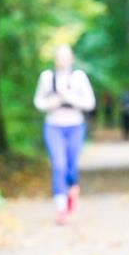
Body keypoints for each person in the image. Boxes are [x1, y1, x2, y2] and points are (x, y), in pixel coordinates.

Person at [33, 45, 95, 225]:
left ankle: (72, 187)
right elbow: (39, 102)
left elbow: (90, 103)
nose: (62, 60)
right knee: (58, 164)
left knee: (70, 164)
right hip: (54, 126)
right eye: (59, 57)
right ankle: (61, 207)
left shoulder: (79, 78)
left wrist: (68, 97)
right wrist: (54, 101)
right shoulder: (47, 78)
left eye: (65, 57)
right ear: (55, 59)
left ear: (71, 59)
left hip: (75, 125)